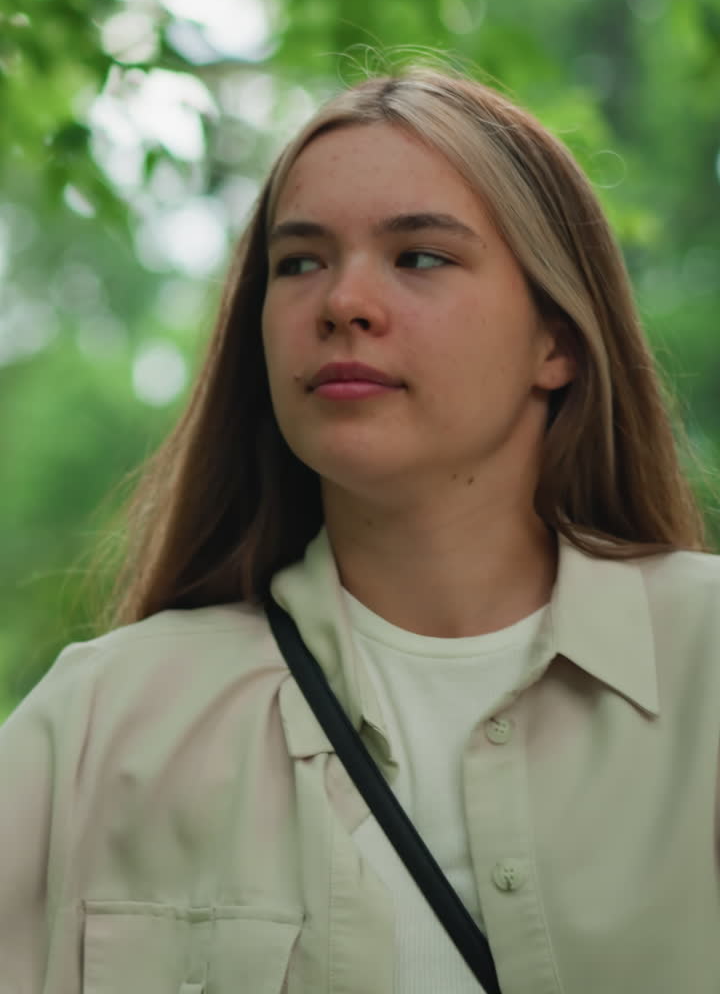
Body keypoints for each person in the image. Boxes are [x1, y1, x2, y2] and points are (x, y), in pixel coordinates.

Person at [1, 64, 718, 993]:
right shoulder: (99, 723)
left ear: (558, 341)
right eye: (299, 262)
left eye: (419, 256)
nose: (342, 302)